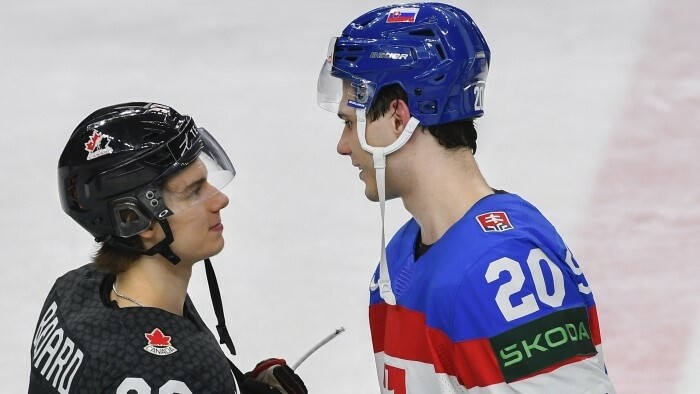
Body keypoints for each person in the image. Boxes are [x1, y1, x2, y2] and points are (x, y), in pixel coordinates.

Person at [317, 3, 616, 393]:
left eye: (349, 121)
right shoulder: (400, 255)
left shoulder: (504, 272)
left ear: (398, 118)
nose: (343, 146)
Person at [29, 102, 307, 394]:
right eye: (193, 192)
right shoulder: (175, 371)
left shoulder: (73, 290)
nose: (219, 200)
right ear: (135, 219)